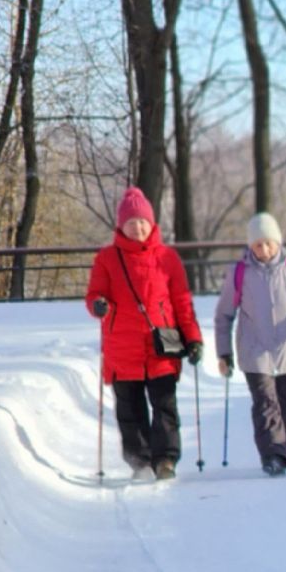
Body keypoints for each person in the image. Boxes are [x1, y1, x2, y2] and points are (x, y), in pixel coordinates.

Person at [85, 186, 204, 480]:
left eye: (142, 222)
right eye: (131, 223)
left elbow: (182, 302)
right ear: (121, 226)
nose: (137, 228)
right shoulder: (107, 259)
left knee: (164, 405)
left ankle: (165, 460)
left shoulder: (168, 258)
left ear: (151, 224)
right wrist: (98, 305)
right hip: (122, 346)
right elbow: (95, 295)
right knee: (129, 409)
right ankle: (139, 461)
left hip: (161, 343)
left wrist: (193, 338)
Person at [214, 211, 286, 476]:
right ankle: (272, 455)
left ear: (278, 242)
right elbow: (224, 315)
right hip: (254, 349)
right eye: (258, 244)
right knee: (266, 404)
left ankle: (285, 449)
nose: (264, 249)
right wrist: (223, 352)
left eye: (269, 243)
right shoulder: (239, 273)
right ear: (250, 246)